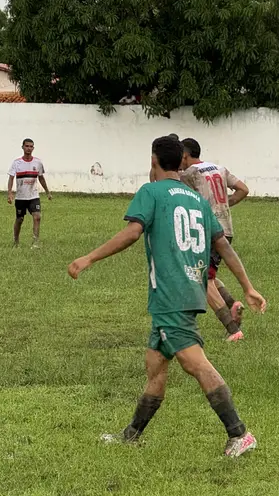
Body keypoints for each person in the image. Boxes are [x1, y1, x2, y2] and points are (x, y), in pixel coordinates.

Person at [68, 136, 266, 457]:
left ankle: (239, 433)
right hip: (188, 289)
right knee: (156, 366)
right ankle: (131, 435)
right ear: (181, 162)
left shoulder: (151, 192)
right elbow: (223, 245)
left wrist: (88, 258)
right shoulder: (196, 198)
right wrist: (247, 286)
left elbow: (133, 232)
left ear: (154, 160)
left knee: (196, 364)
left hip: (171, 295)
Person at [179, 138, 250, 340]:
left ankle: (233, 330)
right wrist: (225, 206)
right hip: (225, 228)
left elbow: (163, 182)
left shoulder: (189, 174)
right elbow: (243, 190)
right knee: (205, 274)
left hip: (207, 231)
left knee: (202, 280)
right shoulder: (220, 168)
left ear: (184, 155)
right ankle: (232, 304)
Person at [7, 138, 51, 248]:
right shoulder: (17, 163)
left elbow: (41, 178)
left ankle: (35, 242)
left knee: (37, 216)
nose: (29, 148)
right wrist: (10, 193)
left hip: (33, 196)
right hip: (21, 197)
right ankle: (16, 241)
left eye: (31, 146)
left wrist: (47, 192)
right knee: (20, 219)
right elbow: (11, 178)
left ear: (33, 148)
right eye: (27, 146)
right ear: (22, 147)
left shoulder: (38, 162)